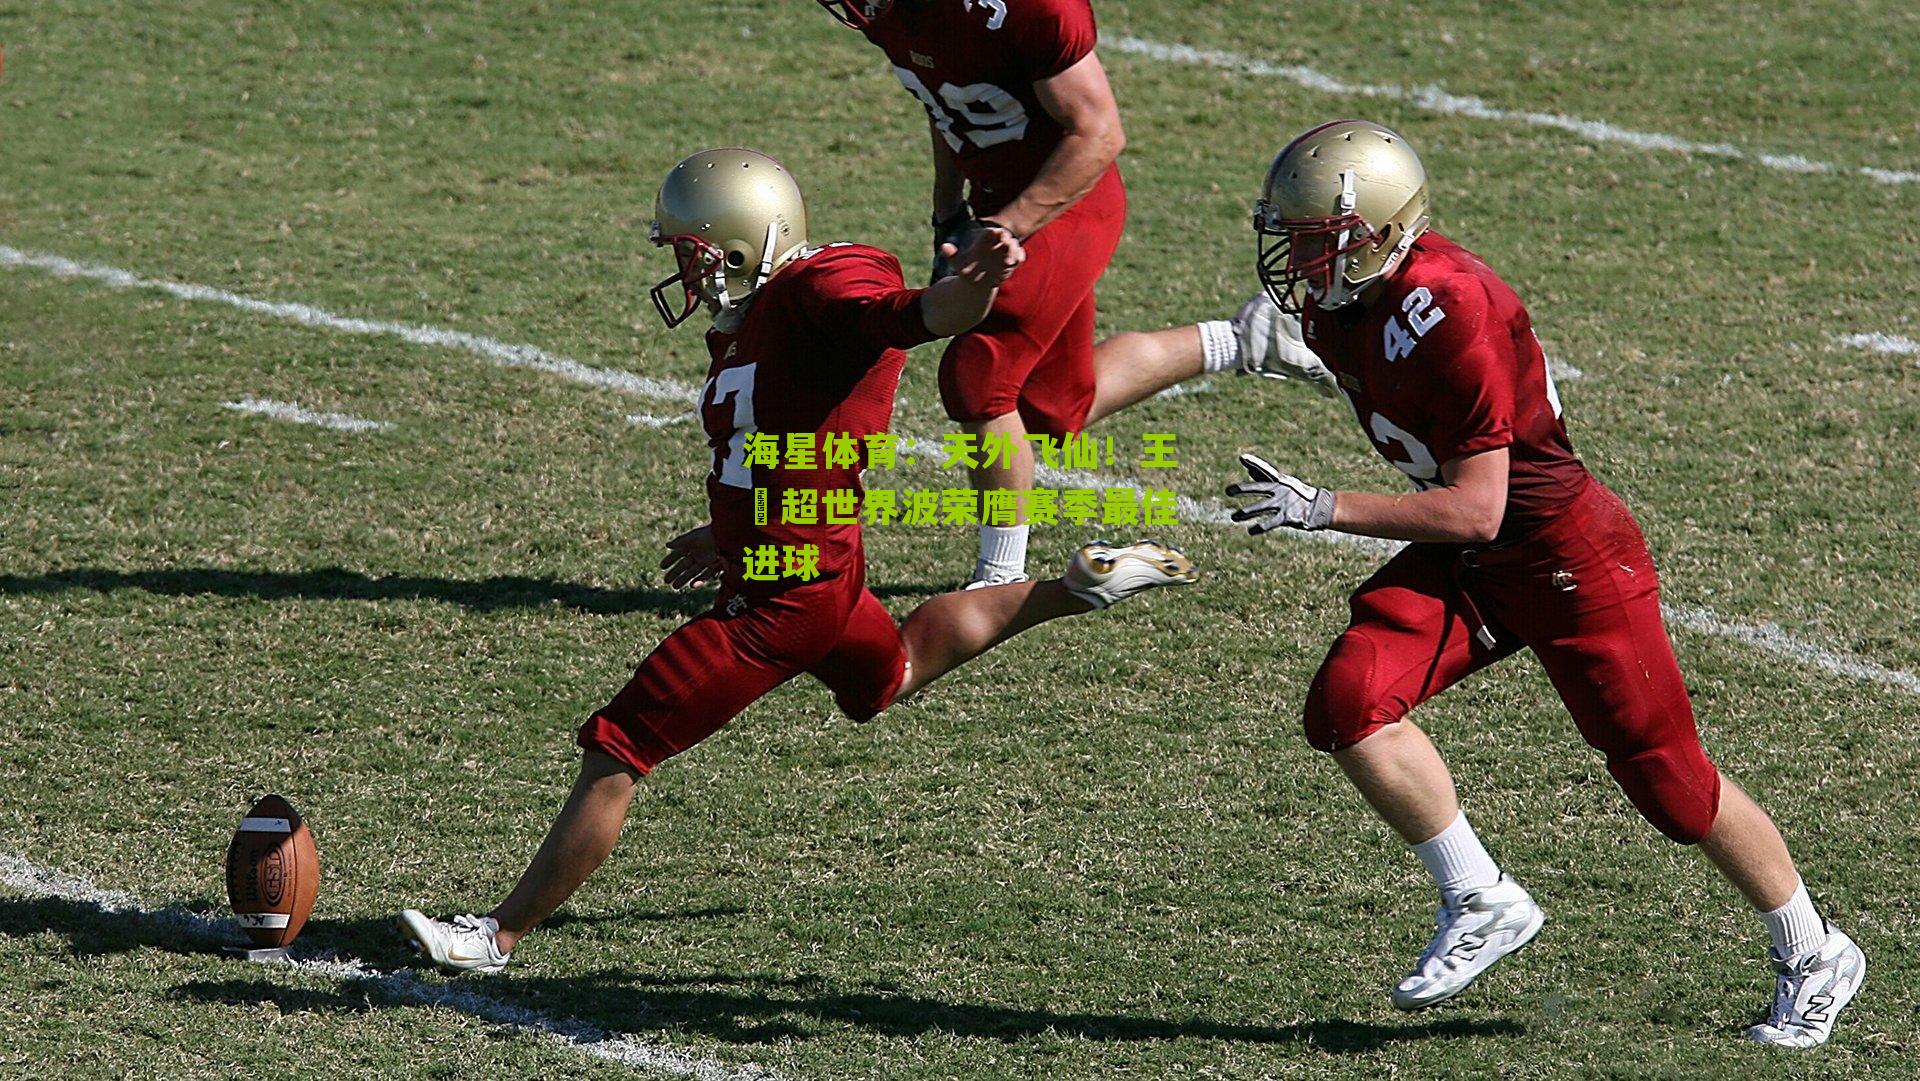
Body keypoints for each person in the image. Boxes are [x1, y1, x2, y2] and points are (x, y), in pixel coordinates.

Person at [398, 148, 1197, 972]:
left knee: (619, 745)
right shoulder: (760, 315)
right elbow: (784, 434)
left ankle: (494, 935)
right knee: (892, 674)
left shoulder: (822, 291)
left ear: (745, 244)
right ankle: (1076, 587)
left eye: (695, 253)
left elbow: (920, 314)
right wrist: (728, 526)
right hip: (821, 567)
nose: (685, 270)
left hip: (778, 603)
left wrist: (976, 286)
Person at [1222, 120, 1863, 1048]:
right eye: (1293, 235)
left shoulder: (1454, 307)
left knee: (1669, 782)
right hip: (1480, 560)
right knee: (1349, 701)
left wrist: (1324, 508)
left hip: (1562, 552)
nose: (1299, 259)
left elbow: (1478, 508)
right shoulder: (1338, 302)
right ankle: (1480, 896)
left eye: (1318, 238)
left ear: (1379, 232)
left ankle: (1816, 948)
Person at [818, 0, 1325, 588]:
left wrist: (1008, 226)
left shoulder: (1025, 9)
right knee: (1055, 407)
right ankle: (1247, 339)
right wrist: (949, 210)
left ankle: (1001, 575)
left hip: (1069, 205)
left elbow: (1099, 132)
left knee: (978, 376)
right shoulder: (893, 14)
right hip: (999, 203)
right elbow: (948, 107)